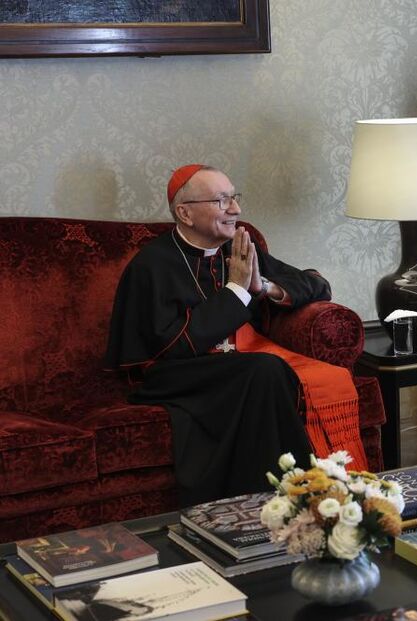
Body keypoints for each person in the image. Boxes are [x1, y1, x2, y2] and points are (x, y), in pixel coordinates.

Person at [105, 164, 366, 506]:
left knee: (285, 374)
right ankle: (299, 492)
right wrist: (237, 292)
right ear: (185, 213)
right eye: (222, 200)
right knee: (263, 371)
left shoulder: (240, 245)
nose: (236, 209)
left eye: (234, 198)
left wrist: (263, 287)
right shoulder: (152, 265)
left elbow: (316, 285)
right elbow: (173, 346)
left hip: (234, 366)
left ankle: (303, 492)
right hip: (175, 373)